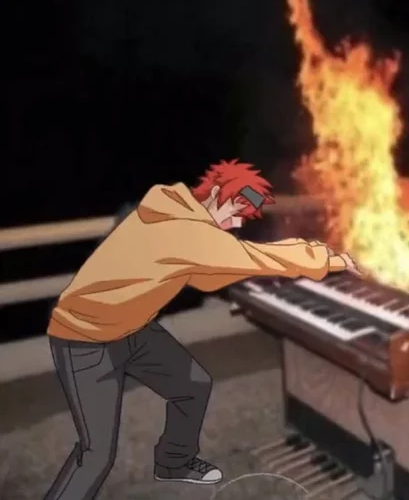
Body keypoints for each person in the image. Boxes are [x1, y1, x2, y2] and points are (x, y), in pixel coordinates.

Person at [44, 159, 360, 500]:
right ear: (215, 194)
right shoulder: (185, 231)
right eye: (236, 211)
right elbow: (253, 257)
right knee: (96, 454)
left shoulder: (177, 210)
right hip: (83, 337)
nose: (237, 222)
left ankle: (174, 461)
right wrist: (329, 258)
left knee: (192, 384)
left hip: (131, 327)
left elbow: (205, 274)